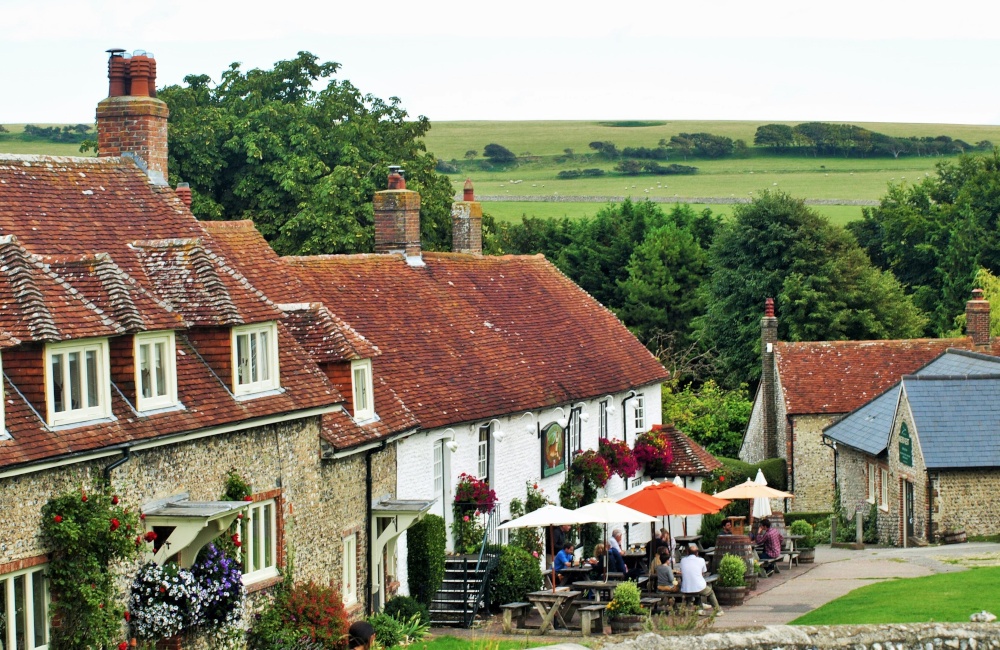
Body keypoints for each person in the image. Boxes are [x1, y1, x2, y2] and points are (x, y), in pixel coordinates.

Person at [679, 543, 722, 616]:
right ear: (697, 553)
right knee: (710, 592)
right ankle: (718, 610)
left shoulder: (683, 560)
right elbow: (703, 572)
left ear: (687, 552)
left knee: (696, 589)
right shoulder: (701, 560)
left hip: (686, 588)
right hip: (698, 587)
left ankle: (699, 608)